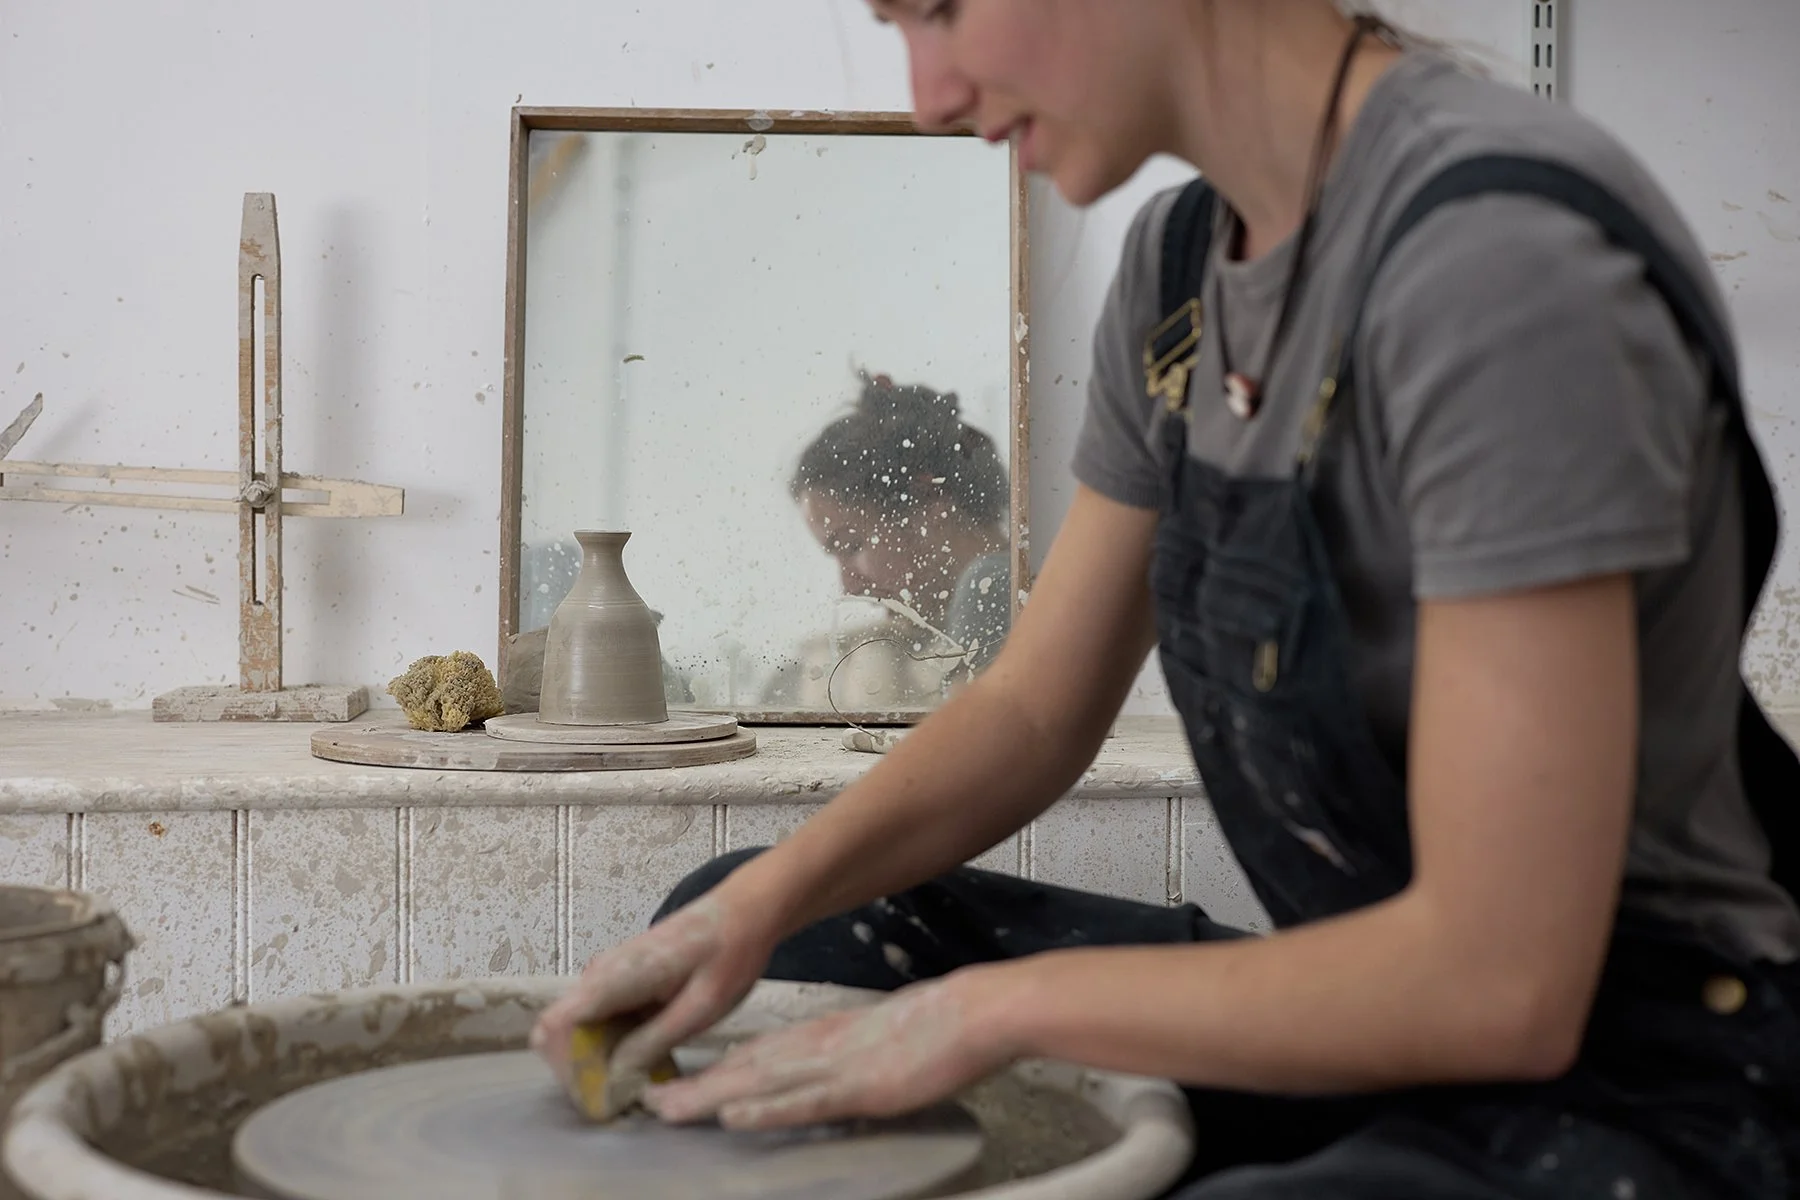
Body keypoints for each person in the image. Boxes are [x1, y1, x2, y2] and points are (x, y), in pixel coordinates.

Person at [533, 2, 1800, 1195]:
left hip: (1649, 1076)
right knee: (778, 937)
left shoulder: (1495, 264)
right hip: (1402, 1033)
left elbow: (1499, 982)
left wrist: (984, 1014)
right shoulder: (1182, 274)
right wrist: (761, 906)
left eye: (941, 9)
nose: (930, 96)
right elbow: (1033, 707)